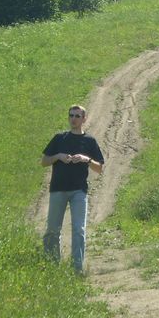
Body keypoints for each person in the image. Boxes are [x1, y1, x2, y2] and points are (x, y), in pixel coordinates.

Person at [41, 104, 105, 274]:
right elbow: (44, 161)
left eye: (77, 116)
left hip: (79, 191)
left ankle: (77, 269)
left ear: (84, 119)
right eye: (71, 115)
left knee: (79, 230)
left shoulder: (89, 141)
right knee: (52, 230)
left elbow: (100, 168)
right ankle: (51, 266)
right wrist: (58, 157)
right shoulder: (59, 138)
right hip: (58, 189)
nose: (73, 119)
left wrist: (86, 160)